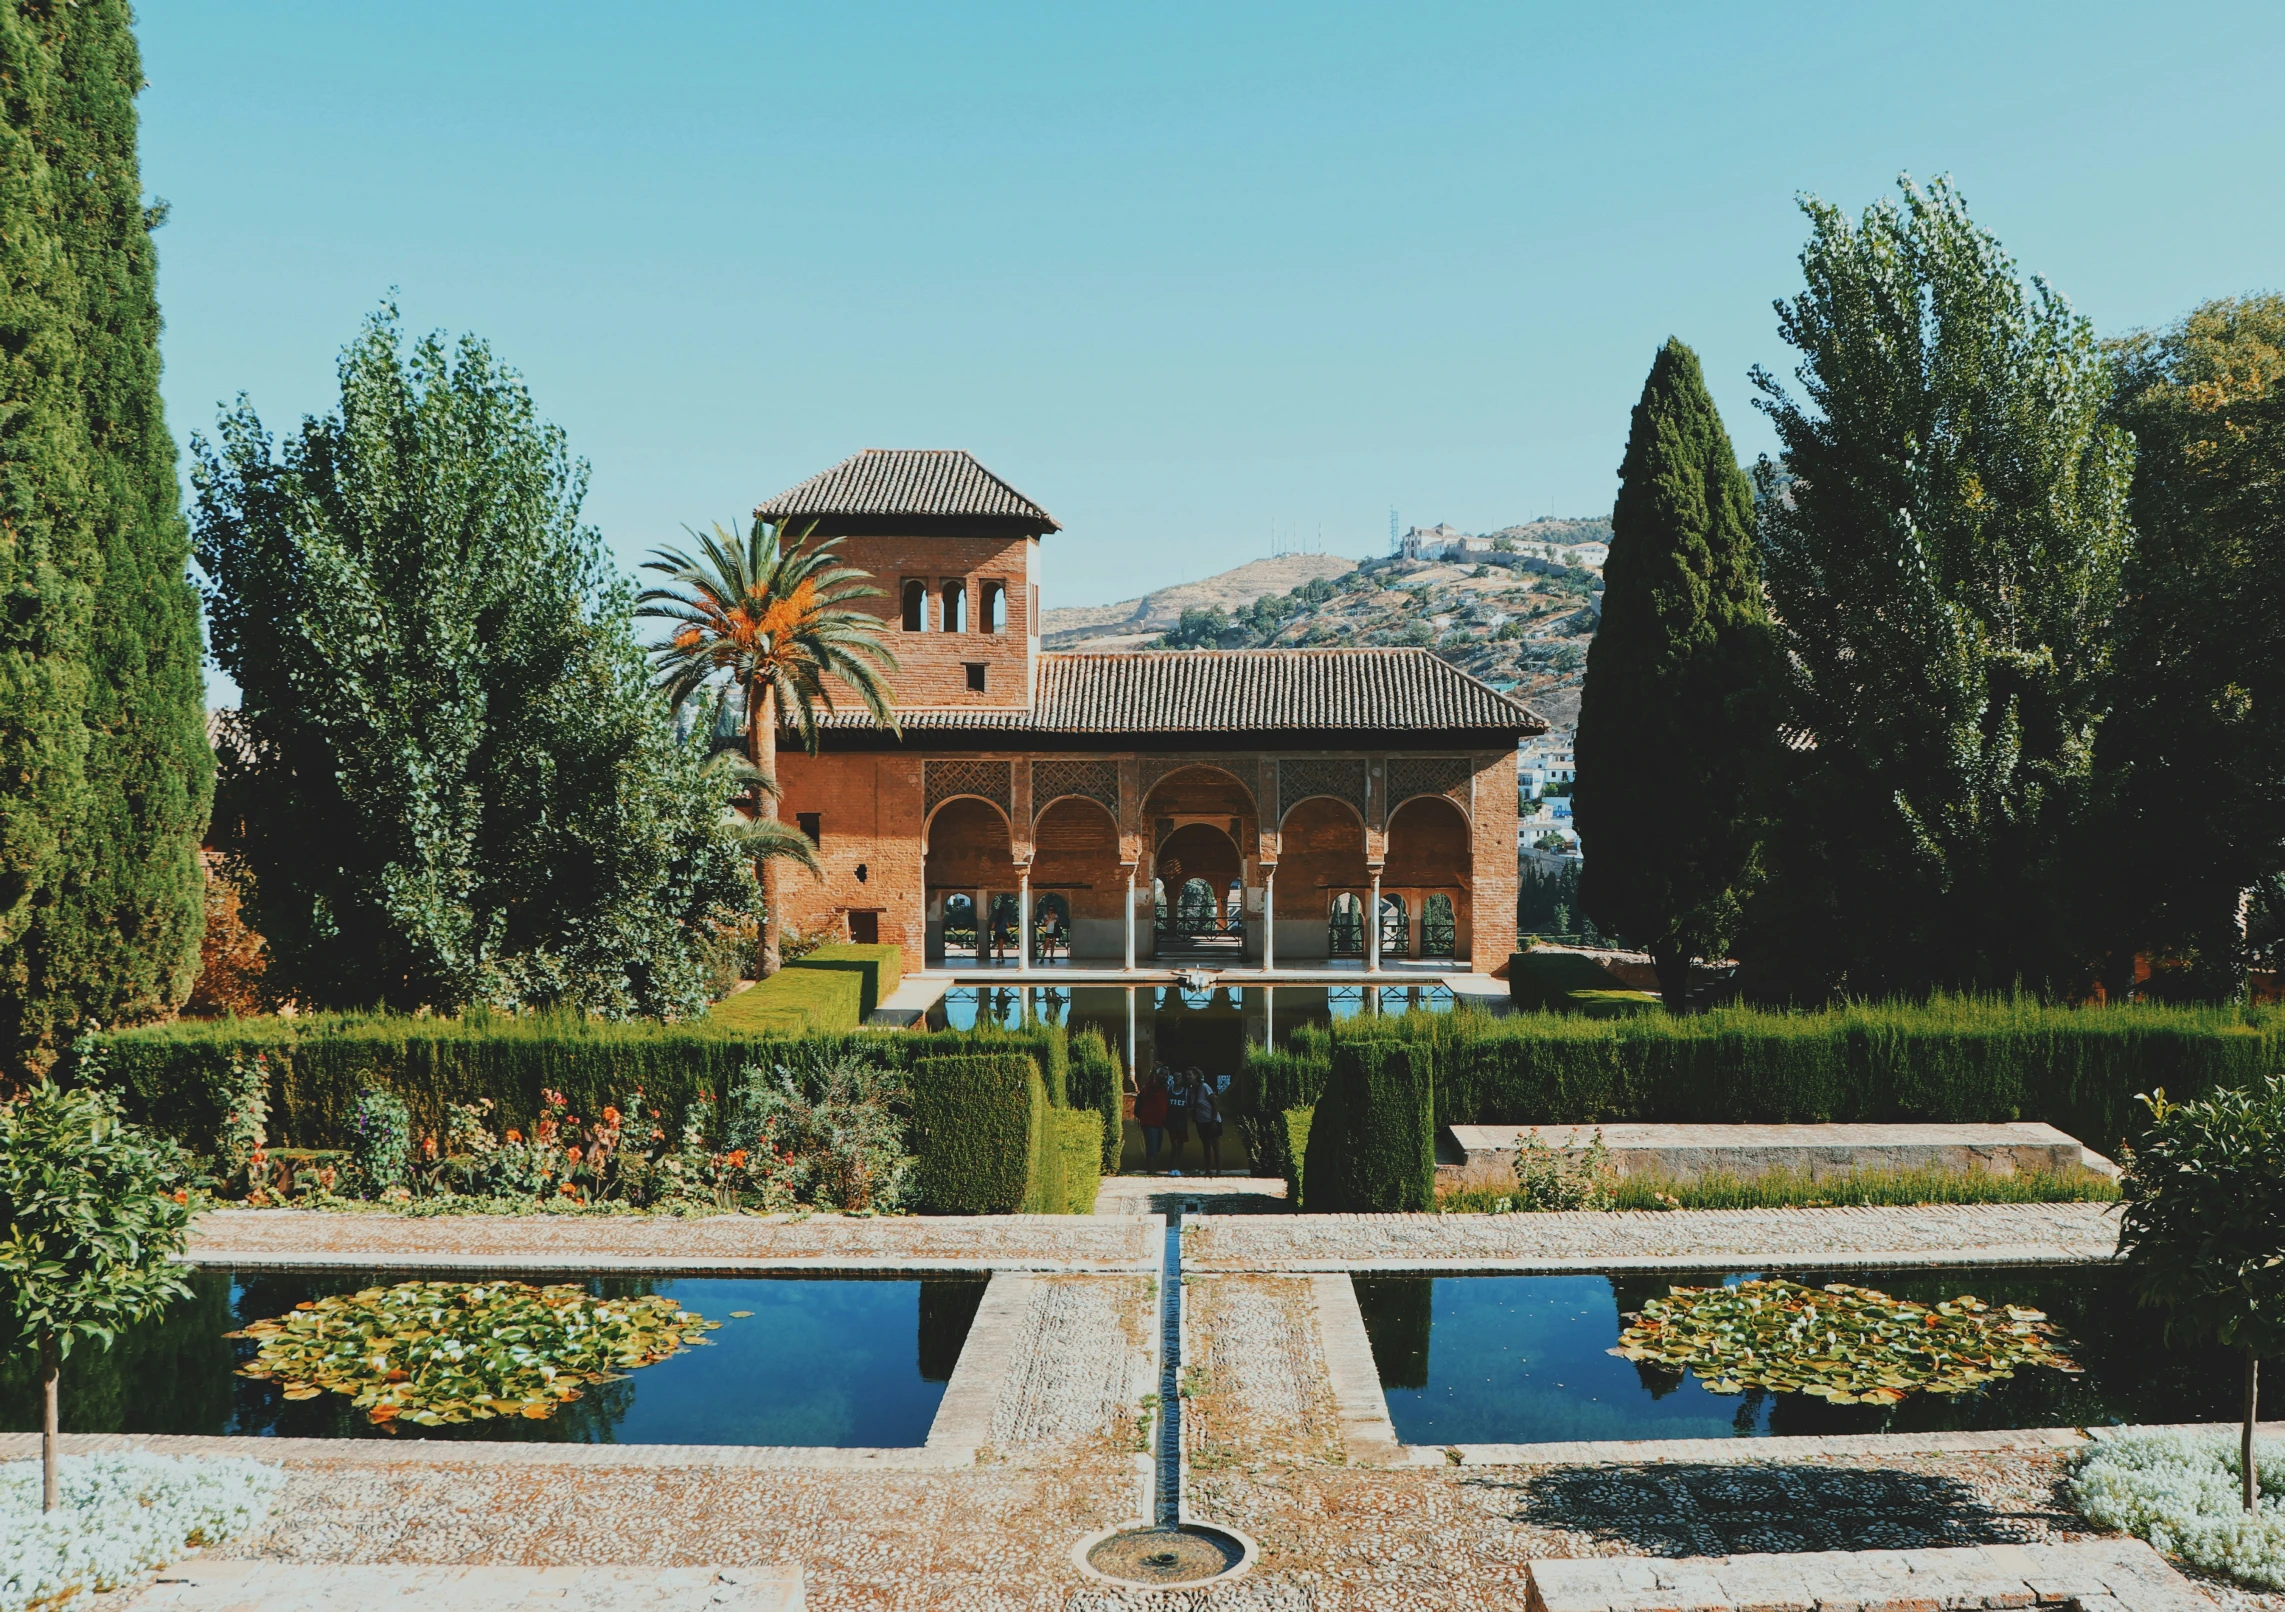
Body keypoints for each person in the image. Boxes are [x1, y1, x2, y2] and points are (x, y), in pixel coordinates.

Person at [1135, 1068, 1169, 1170]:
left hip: (1159, 1123)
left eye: (1166, 1075)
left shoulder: (1164, 1089)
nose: (1164, 1076)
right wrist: (1154, 1070)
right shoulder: (1150, 1087)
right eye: (1162, 1074)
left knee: (1156, 1148)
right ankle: (1151, 1171)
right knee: (1151, 1149)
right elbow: (1150, 1080)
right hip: (1150, 1122)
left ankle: (1153, 1169)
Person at [1191, 1071, 1225, 1175]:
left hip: (1212, 1121)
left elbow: (1214, 1103)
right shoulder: (1192, 1090)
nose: (1187, 1077)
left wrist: (1213, 1121)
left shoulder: (1204, 1087)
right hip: (1201, 1122)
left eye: (1189, 1074)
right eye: (1186, 1075)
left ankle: (1219, 1171)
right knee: (1206, 1147)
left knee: (1215, 1146)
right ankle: (1208, 1170)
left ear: (1196, 1076)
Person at [1162, 1065, 1192, 1172]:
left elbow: (1190, 1107)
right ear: (1173, 1078)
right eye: (1175, 1077)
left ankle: (1178, 1166)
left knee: (1180, 1146)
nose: (1177, 1078)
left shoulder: (1186, 1092)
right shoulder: (1169, 1090)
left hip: (1182, 1124)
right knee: (1174, 1145)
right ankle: (1171, 1166)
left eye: (1179, 1077)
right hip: (1172, 1124)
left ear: (1182, 1078)